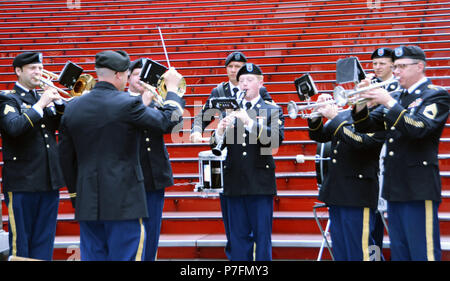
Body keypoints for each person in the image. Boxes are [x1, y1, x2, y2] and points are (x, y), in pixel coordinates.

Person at [58, 50, 185, 261]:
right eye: (127, 75)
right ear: (119, 75)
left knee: (93, 256)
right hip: (125, 201)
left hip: (87, 200)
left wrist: (75, 195)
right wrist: (172, 92)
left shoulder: (73, 107)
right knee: (126, 255)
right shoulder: (127, 103)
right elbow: (167, 122)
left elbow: (65, 157)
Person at [353, 45, 450, 261]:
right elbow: (365, 126)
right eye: (395, 67)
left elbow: (419, 128)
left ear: (420, 67)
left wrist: (388, 101)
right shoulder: (398, 97)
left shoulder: (435, 95)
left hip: (418, 187)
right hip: (394, 186)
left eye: (402, 67)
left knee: (422, 252)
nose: (396, 72)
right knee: (400, 252)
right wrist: (361, 100)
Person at [190, 51, 271, 260]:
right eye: (231, 67)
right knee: (233, 226)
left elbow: (269, 123)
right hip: (229, 162)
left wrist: (247, 120)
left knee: (257, 232)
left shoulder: (260, 93)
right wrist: (197, 130)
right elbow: (204, 114)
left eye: (238, 67)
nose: (234, 71)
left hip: (253, 162)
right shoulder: (219, 90)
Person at [210, 63, 284, 261]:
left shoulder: (271, 109)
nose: (244, 84)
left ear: (260, 82)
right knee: (237, 238)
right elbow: (215, 147)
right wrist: (219, 131)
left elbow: (274, 140)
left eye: (249, 80)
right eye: (241, 80)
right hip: (234, 182)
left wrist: (249, 121)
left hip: (259, 183)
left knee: (262, 238)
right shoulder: (231, 111)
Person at [0, 51, 65, 260]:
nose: (38, 72)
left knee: (44, 239)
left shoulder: (43, 97)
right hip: (22, 182)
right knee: (22, 242)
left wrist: (59, 104)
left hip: (48, 179)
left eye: (39, 67)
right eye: (32, 68)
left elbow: (62, 127)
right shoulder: (8, 99)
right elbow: (13, 127)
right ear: (18, 71)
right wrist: (40, 105)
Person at [307, 94, 385, 261]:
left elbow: (360, 142)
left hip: (358, 192)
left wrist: (334, 117)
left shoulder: (380, 118)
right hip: (337, 190)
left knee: (360, 248)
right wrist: (316, 113)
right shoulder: (345, 116)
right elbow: (319, 136)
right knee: (341, 248)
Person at [127, 58, 182, 261]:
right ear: (127, 78)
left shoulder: (161, 101)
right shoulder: (120, 100)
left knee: (152, 230)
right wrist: (143, 103)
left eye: (144, 75)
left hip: (154, 173)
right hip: (130, 175)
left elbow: (173, 125)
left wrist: (170, 96)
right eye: (136, 74)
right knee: (130, 229)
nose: (140, 79)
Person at [370, 47, 400, 255]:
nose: (378, 67)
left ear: (393, 64)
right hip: (368, 154)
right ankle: (373, 254)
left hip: (388, 153)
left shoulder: (399, 88)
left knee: (382, 211)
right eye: (374, 63)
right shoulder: (369, 86)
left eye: (382, 63)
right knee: (371, 211)